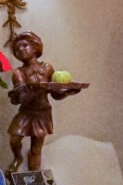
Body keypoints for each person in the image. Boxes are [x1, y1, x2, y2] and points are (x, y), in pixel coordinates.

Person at [5, 31, 85, 171]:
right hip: (26, 112)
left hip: (43, 113)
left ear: (35, 47)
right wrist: (40, 89)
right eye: (17, 49)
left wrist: (67, 92)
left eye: (25, 45)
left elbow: (55, 94)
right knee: (15, 138)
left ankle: (34, 177)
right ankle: (18, 157)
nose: (21, 50)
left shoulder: (47, 68)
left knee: (36, 149)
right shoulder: (19, 73)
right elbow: (22, 99)